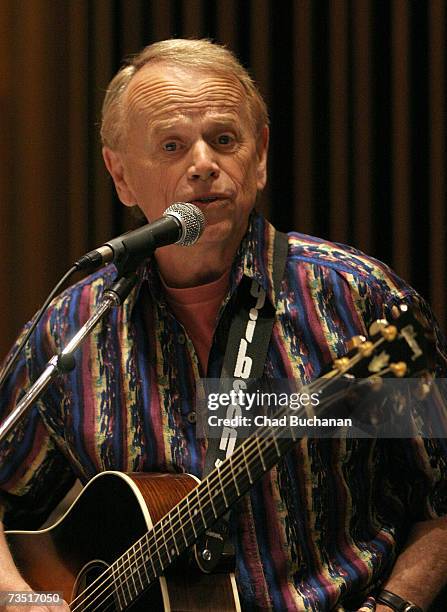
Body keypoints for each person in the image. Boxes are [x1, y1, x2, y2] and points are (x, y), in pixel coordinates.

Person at [0, 38, 446, 612]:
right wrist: (22, 600)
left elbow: (440, 497)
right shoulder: (74, 327)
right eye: (171, 145)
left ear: (258, 157)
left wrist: (392, 608)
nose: (204, 163)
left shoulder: (354, 300)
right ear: (120, 176)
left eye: (225, 140)